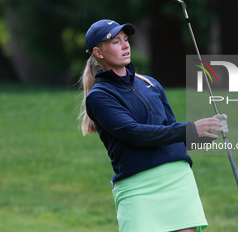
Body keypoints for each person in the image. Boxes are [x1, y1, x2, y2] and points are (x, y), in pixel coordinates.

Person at [79, 19, 228, 232]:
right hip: (139, 187)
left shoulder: (150, 84)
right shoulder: (99, 96)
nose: (125, 45)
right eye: (115, 42)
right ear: (98, 52)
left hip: (178, 179)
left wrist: (206, 132)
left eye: (126, 39)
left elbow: (170, 135)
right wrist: (190, 129)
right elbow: (134, 134)